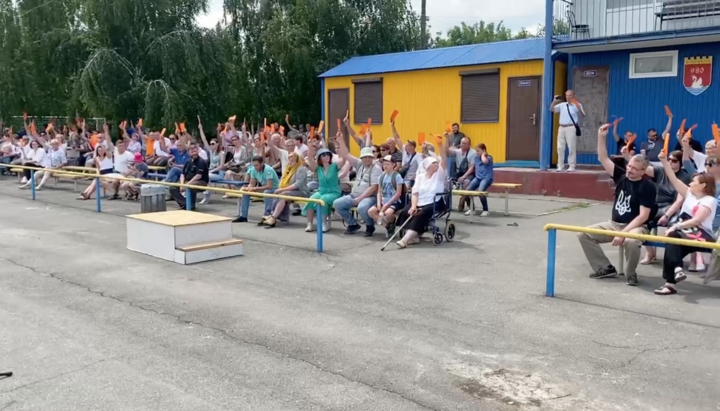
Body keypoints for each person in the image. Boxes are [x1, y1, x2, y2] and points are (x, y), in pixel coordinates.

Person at [577, 125, 657, 286]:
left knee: (631, 241)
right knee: (584, 234)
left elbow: (643, 216)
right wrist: (601, 136)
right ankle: (605, 268)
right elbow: (603, 158)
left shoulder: (647, 186)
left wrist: (624, 233)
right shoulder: (621, 176)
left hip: (636, 226)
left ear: (643, 171)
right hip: (614, 224)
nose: (630, 170)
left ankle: (630, 273)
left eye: (635, 169)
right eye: (629, 166)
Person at [654, 151, 717, 295]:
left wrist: (675, 226)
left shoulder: (710, 200)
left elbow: (698, 220)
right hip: (684, 233)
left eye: (693, 182)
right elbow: (673, 179)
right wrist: (664, 161)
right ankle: (673, 277)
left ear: (702, 185)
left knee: (672, 235)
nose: (690, 184)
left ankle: (673, 277)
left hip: (702, 234)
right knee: (671, 243)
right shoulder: (688, 193)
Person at [635, 149, 692, 266]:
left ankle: (671, 257)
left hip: (672, 207)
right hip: (656, 205)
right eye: (669, 159)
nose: (670, 162)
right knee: (641, 220)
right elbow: (643, 168)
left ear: (680, 164)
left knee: (673, 226)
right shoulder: (660, 171)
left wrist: (667, 215)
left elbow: (679, 201)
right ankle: (650, 253)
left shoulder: (685, 177)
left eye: (674, 160)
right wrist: (628, 156)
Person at [395, 134, 449, 249]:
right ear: (427, 166)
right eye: (433, 163)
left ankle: (404, 240)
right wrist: (413, 206)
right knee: (406, 211)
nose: (436, 164)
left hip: (434, 202)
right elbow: (415, 193)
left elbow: (444, 160)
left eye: (436, 163)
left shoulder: (439, 174)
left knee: (419, 215)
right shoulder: (420, 177)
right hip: (419, 201)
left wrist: (440, 144)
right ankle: (414, 237)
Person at [332, 135, 382, 237]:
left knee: (362, 207)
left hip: (369, 197)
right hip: (354, 195)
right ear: (361, 158)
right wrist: (341, 140)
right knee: (337, 203)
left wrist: (360, 198)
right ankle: (353, 224)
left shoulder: (376, 168)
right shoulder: (359, 164)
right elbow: (346, 154)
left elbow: (374, 187)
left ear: (372, 158)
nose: (367, 159)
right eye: (365, 157)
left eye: (369, 157)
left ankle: (370, 226)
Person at [261, 152, 310, 228]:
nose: (290, 162)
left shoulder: (301, 169)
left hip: (302, 191)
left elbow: (297, 184)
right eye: (289, 160)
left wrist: (282, 189)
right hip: (291, 191)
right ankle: (272, 215)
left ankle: (273, 217)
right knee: (277, 193)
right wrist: (280, 189)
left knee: (284, 193)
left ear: (297, 161)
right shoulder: (288, 169)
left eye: (292, 161)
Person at [303, 144, 342, 233]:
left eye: (328, 154)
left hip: (333, 192)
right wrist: (310, 145)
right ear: (320, 158)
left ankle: (324, 223)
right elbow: (309, 158)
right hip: (322, 190)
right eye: (324, 155)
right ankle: (309, 224)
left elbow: (343, 158)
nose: (327, 156)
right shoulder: (318, 168)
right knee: (311, 199)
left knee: (322, 200)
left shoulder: (334, 166)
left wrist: (340, 142)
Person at [232, 155, 279, 223]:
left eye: (257, 165)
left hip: (274, 189)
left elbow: (269, 186)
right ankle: (243, 216)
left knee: (267, 192)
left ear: (262, 163)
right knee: (246, 192)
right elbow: (252, 183)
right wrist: (248, 187)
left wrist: (255, 188)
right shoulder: (253, 170)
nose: (255, 167)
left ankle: (267, 216)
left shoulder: (268, 170)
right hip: (263, 188)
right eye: (254, 165)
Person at [368, 155, 405, 238]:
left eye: (388, 164)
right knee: (371, 211)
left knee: (387, 213)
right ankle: (388, 226)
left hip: (394, 201)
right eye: (384, 164)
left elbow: (398, 193)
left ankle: (392, 221)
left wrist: (386, 205)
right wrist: (378, 203)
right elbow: (379, 192)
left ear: (393, 164)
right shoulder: (381, 177)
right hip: (383, 200)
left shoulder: (397, 176)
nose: (385, 166)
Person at [550, 89, 585, 172]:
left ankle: (572, 166)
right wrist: (554, 101)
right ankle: (560, 166)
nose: (568, 97)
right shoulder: (562, 105)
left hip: (571, 127)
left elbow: (583, 115)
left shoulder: (578, 105)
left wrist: (578, 107)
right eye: (567, 96)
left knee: (571, 147)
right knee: (560, 147)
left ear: (573, 96)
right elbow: (551, 109)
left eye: (570, 95)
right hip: (561, 127)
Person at [457, 143, 494, 217]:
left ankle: (485, 210)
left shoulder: (489, 157)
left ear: (484, 150)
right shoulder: (476, 158)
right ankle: (471, 209)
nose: (477, 153)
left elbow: (484, 161)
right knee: (468, 190)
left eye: (479, 151)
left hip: (487, 178)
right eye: (476, 151)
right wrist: (464, 176)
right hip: (478, 178)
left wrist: (483, 154)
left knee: (481, 192)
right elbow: (472, 167)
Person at [168, 145, 209, 211]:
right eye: (192, 152)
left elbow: (198, 176)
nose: (194, 153)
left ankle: (190, 205)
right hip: (187, 181)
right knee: (172, 187)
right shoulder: (188, 161)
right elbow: (182, 174)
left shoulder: (201, 161)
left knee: (190, 186)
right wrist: (182, 184)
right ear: (189, 153)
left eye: (195, 151)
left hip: (201, 181)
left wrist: (186, 185)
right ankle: (185, 204)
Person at [448, 137, 476, 212]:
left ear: (469, 145)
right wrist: (447, 138)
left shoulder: (473, 153)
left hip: (469, 173)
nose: (463, 145)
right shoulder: (457, 151)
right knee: (449, 184)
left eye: (465, 143)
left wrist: (464, 177)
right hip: (458, 173)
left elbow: (472, 168)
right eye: (462, 143)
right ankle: (466, 200)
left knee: (466, 183)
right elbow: (447, 151)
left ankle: (462, 201)